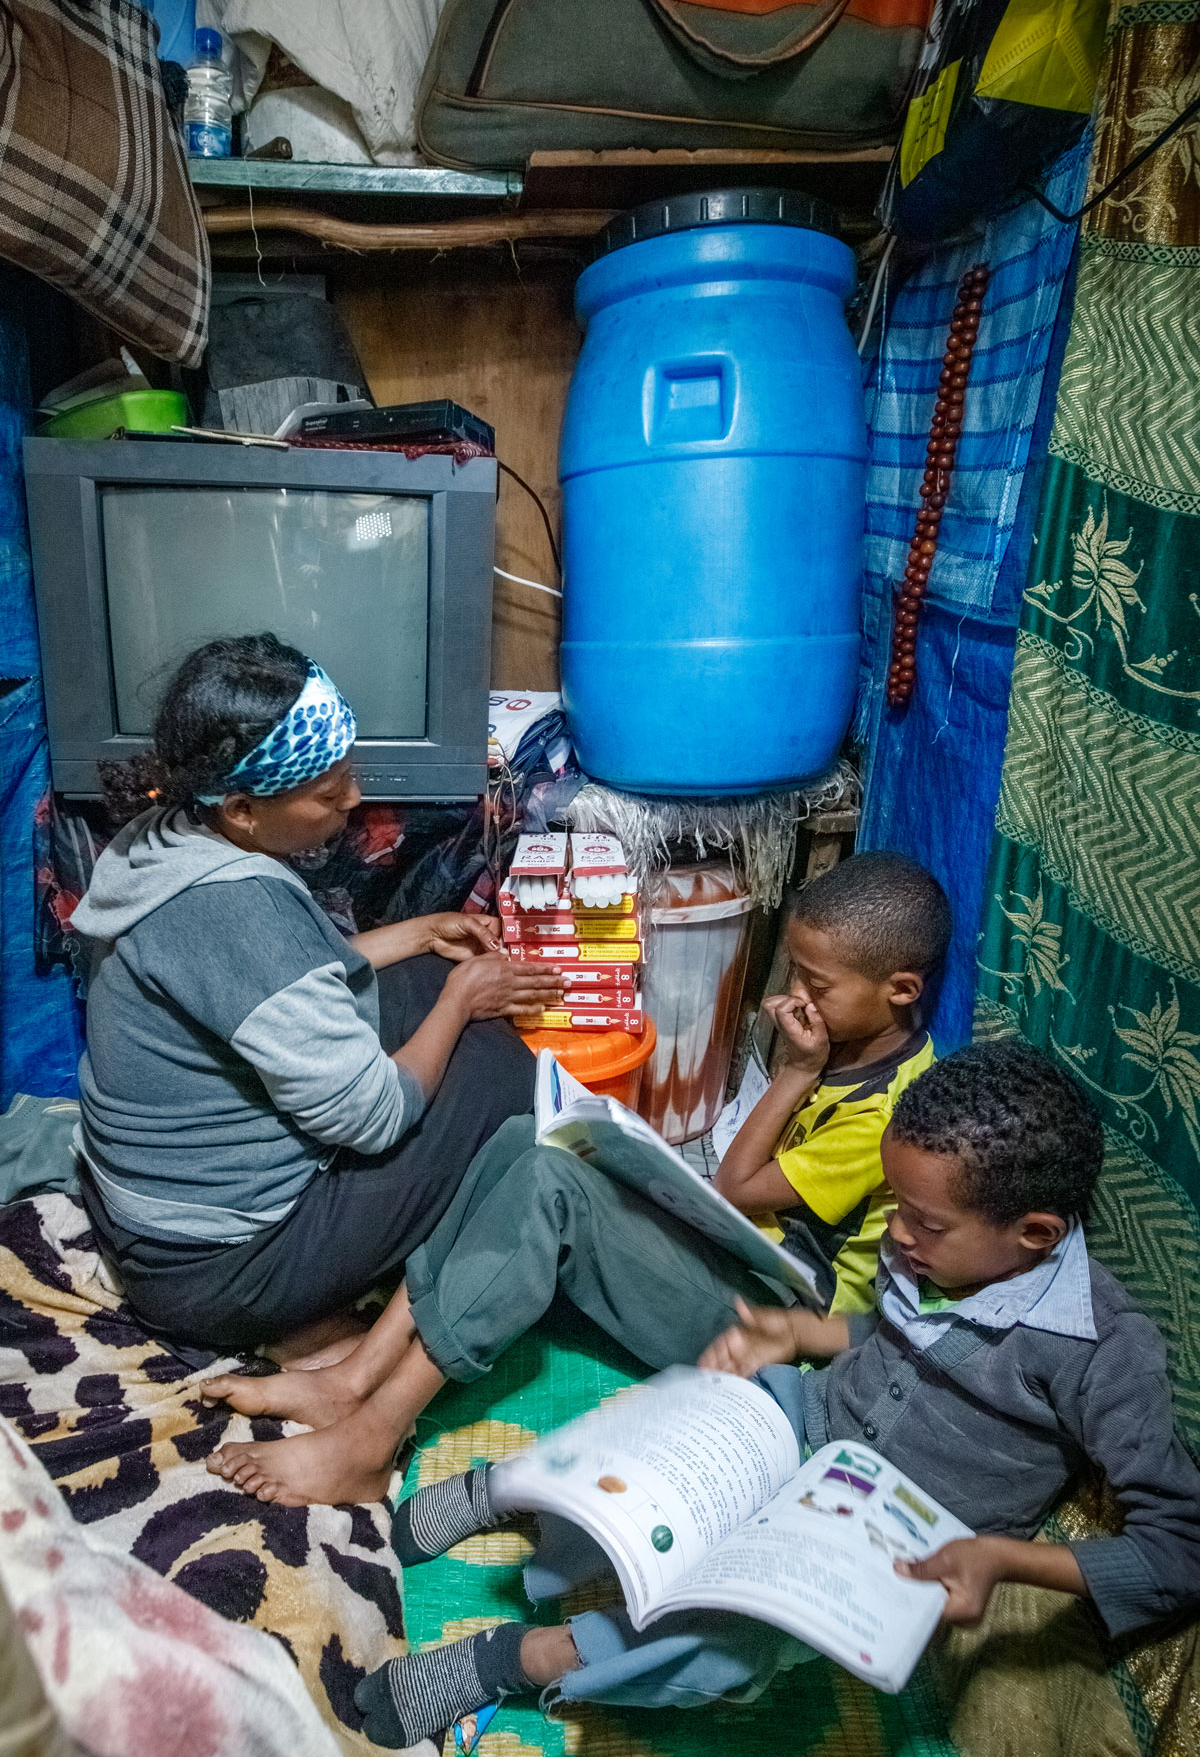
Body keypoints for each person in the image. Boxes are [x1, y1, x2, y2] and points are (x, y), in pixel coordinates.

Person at [355, 1041, 1200, 1747]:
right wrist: (801, 1336)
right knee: (675, 1424)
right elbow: (895, 1337)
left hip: (887, 1536)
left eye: (924, 1223)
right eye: (896, 1206)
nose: (899, 1236)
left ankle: (520, 1659)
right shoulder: (951, 1252)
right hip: (812, 1417)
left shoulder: (1104, 1352)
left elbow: (1177, 1553)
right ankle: (527, 1501)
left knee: (723, 1647)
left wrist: (1003, 1559)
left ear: (1037, 1235)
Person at [201, 851, 949, 1503]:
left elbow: (736, 1187)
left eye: (817, 986)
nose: (794, 999)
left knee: (554, 1192)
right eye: (794, 975)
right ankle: (356, 1374)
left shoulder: (893, 1113)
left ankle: (373, 1438)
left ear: (901, 990)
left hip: (768, 1330)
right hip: (744, 1259)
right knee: (527, 1137)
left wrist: (793, 1073)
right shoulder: (845, 1045)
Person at [70, 634, 562, 1357]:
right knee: (502, 1081)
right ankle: (332, 1331)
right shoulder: (239, 907)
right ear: (242, 808)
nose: (355, 799)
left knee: (422, 981)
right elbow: (376, 1117)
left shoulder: (168, 833)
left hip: (151, 1220)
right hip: (218, 1269)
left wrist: (422, 933)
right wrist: (461, 999)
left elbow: (272, 987)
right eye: (330, 794)